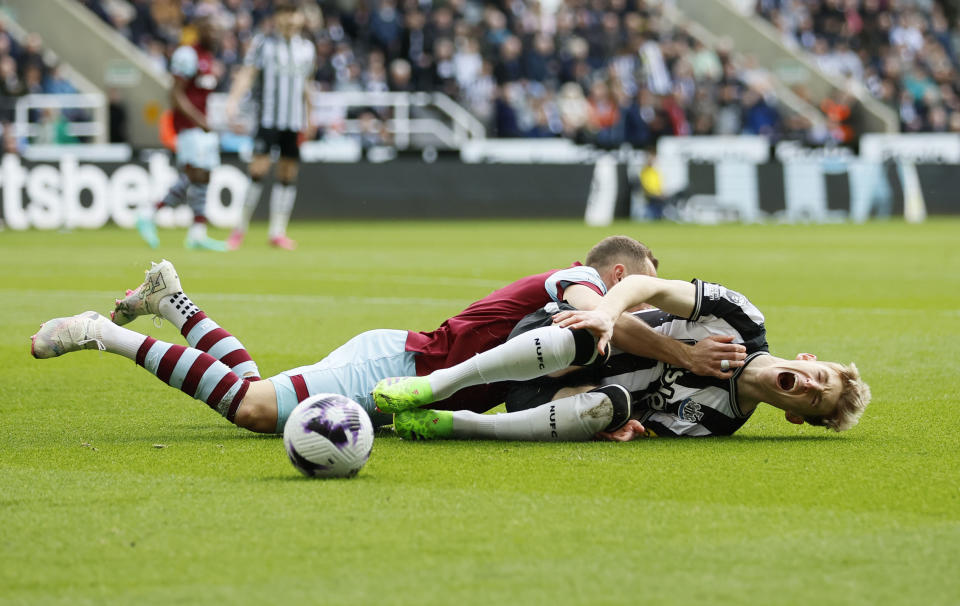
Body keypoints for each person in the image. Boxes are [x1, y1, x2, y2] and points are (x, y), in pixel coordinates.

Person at [29, 237, 745, 435]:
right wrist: (680, 349)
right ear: (620, 273)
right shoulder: (576, 285)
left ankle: (173, 301)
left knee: (256, 399)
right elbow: (605, 317)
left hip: (401, 371)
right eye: (644, 285)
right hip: (397, 361)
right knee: (252, 407)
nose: (649, 305)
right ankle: (101, 333)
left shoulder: (590, 322)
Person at [376, 274, 871, 442]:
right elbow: (645, 285)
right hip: (554, 335)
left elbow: (649, 421)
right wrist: (608, 314)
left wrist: (629, 428)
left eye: (813, 400)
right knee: (592, 339)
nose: (808, 385)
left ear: (795, 416)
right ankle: (435, 389)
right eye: (819, 376)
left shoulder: (719, 424)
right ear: (809, 359)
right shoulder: (740, 318)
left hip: (548, 402)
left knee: (611, 405)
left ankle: (451, 425)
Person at [225, 1, 316, 251]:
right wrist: (232, 100)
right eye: (284, 13)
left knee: (287, 173)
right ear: (277, 17)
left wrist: (311, 115)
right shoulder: (263, 44)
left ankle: (277, 231)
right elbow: (248, 73)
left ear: (300, 17)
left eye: (293, 13)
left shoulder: (307, 49)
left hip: (294, 120)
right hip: (268, 119)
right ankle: (238, 229)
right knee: (258, 170)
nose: (289, 18)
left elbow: (307, 84)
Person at [137, 16, 228, 251]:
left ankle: (197, 233)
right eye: (210, 30)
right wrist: (199, 120)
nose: (215, 35)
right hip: (189, 126)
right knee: (193, 173)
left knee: (203, 176)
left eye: (218, 30)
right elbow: (175, 94)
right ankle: (149, 213)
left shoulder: (208, 57)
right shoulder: (187, 55)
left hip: (202, 125)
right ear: (199, 31)